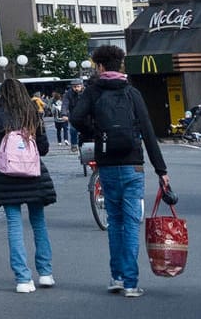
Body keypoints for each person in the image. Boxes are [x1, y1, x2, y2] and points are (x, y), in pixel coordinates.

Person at [70, 44, 170, 298]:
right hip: (133, 164)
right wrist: (161, 169)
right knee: (131, 223)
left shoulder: (93, 92)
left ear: (100, 67)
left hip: (107, 165)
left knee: (114, 222)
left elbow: (76, 118)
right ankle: (130, 282)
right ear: (120, 65)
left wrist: (96, 132)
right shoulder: (131, 92)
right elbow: (148, 131)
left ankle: (116, 276)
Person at [0, 77, 57, 293]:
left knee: (14, 225)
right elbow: (43, 148)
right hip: (33, 175)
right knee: (38, 223)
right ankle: (45, 273)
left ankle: (23, 279)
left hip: (7, 178)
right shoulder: (31, 112)